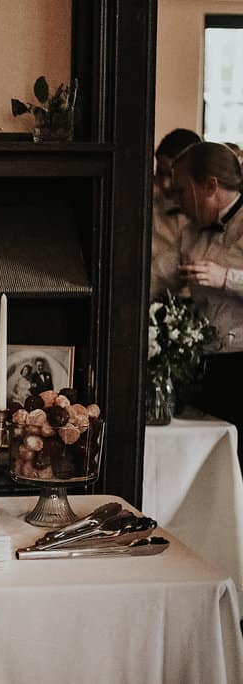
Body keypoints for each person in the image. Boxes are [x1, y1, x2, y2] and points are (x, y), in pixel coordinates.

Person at [175, 141, 243, 457]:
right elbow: (160, 272)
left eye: (183, 190)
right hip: (206, 366)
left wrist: (224, 278)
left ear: (211, 186)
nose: (178, 201)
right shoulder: (191, 231)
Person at [151, 128, 202, 299]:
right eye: (160, 173)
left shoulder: (208, 218)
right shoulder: (147, 208)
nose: (165, 184)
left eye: (172, 176)